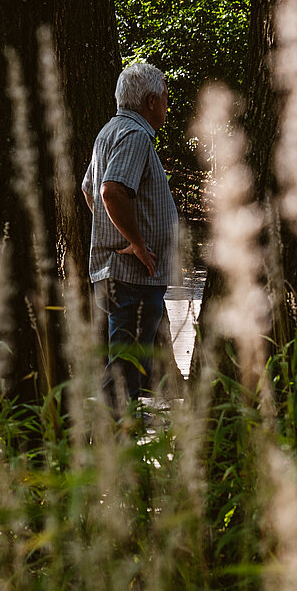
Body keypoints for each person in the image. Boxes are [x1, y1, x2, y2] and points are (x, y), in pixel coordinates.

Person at [81, 60, 179, 416]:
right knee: (125, 368)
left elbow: (89, 190)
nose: (167, 106)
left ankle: (117, 441)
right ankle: (110, 448)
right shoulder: (135, 134)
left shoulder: (109, 131)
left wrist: (113, 232)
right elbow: (110, 191)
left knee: (129, 362)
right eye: (165, 98)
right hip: (130, 275)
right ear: (151, 101)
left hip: (118, 271)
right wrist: (136, 242)